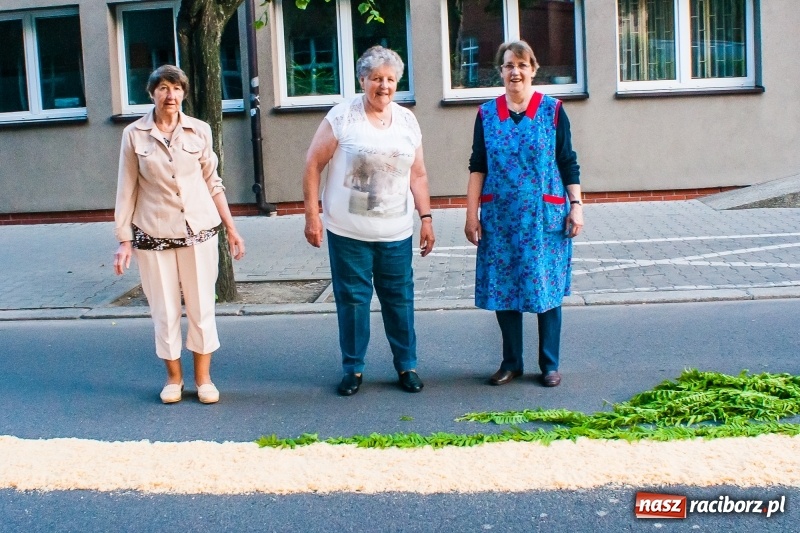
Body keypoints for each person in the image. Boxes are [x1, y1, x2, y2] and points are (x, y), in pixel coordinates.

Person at [302, 46, 435, 396]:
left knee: (399, 302)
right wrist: (312, 215)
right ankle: (353, 369)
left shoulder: (407, 121)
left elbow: (418, 174)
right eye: (376, 78)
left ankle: (406, 365)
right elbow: (313, 164)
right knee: (353, 302)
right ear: (363, 80)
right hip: (348, 234)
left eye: (390, 79)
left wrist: (426, 217)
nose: (384, 86)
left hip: (396, 234)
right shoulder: (343, 117)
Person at [113, 65, 245, 404]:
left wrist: (231, 228)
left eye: (176, 88)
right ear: (151, 93)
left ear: (184, 93)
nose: (169, 95)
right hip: (153, 235)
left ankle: (204, 379)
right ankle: (174, 379)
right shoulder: (134, 134)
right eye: (162, 88)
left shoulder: (199, 130)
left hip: (198, 232)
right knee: (164, 311)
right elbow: (126, 188)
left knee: (201, 308)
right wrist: (124, 240)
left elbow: (213, 182)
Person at [464, 40, 583, 388]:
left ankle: (549, 364)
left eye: (521, 65)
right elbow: (477, 165)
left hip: (545, 217)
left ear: (533, 69)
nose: (515, 72)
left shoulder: (553, 111)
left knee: (546, 287)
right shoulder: (487, 115)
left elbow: (567, 161)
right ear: (500, 72)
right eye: (508, 65)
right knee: (505, 287)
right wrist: (471, 214)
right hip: (500, 217)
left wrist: (577, 205)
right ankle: (511, 362)